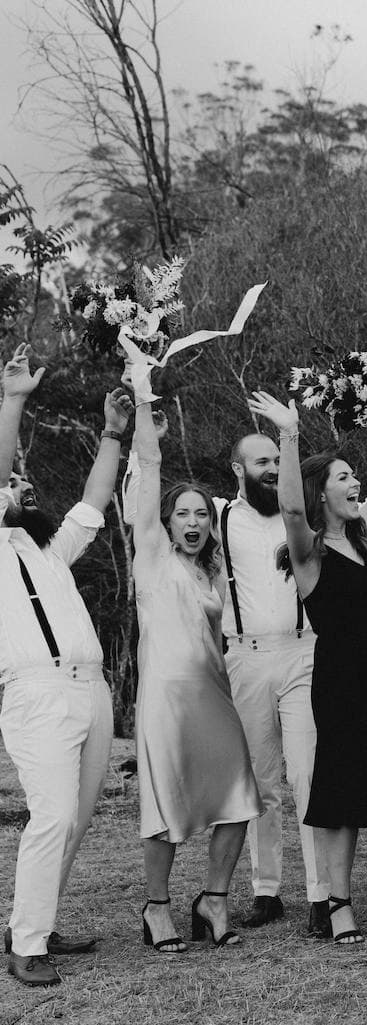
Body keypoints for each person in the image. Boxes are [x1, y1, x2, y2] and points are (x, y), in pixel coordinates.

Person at [246, 392, 367, 945]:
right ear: (320, 493)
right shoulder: (309, 554)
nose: (355, 485)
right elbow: (288, 511)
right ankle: (338, 903)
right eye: (343, 478)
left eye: (354, 476)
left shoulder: (359, 536)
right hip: (342, 683)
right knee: (344, 798)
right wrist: (288, 433)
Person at [0, 350, 127, 987]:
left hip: (92, 691)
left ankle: (38, 923)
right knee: (51, 815)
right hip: (36, 694)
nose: (26, 489)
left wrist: (112, 431)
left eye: (28, 486)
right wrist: (15, 399)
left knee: (74, 818)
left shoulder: (52, 549)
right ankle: (26, 947)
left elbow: (94, 500)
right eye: (16, 487)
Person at [127, 396, 262, 953]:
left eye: (202, 514)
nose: (194, 522)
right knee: (165, 806)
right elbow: (147, 482)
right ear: (166, 521)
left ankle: (214, 899)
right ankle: (157, 907)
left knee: (240, 799)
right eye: (183, 513)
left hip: (214, 695)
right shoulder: (152, 557)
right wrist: (145, 424)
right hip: (164, 699)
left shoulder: (213, 573)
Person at [214, 430, 330, 934]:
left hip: (305, 653)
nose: (272, 469)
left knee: (307, 774)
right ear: (238, 469)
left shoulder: (300, 515)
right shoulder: (217, 516)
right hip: (246, 657)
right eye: (261, 461)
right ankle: (266, 890)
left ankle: (322, 894)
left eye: (278, 461)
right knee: (261, 781)